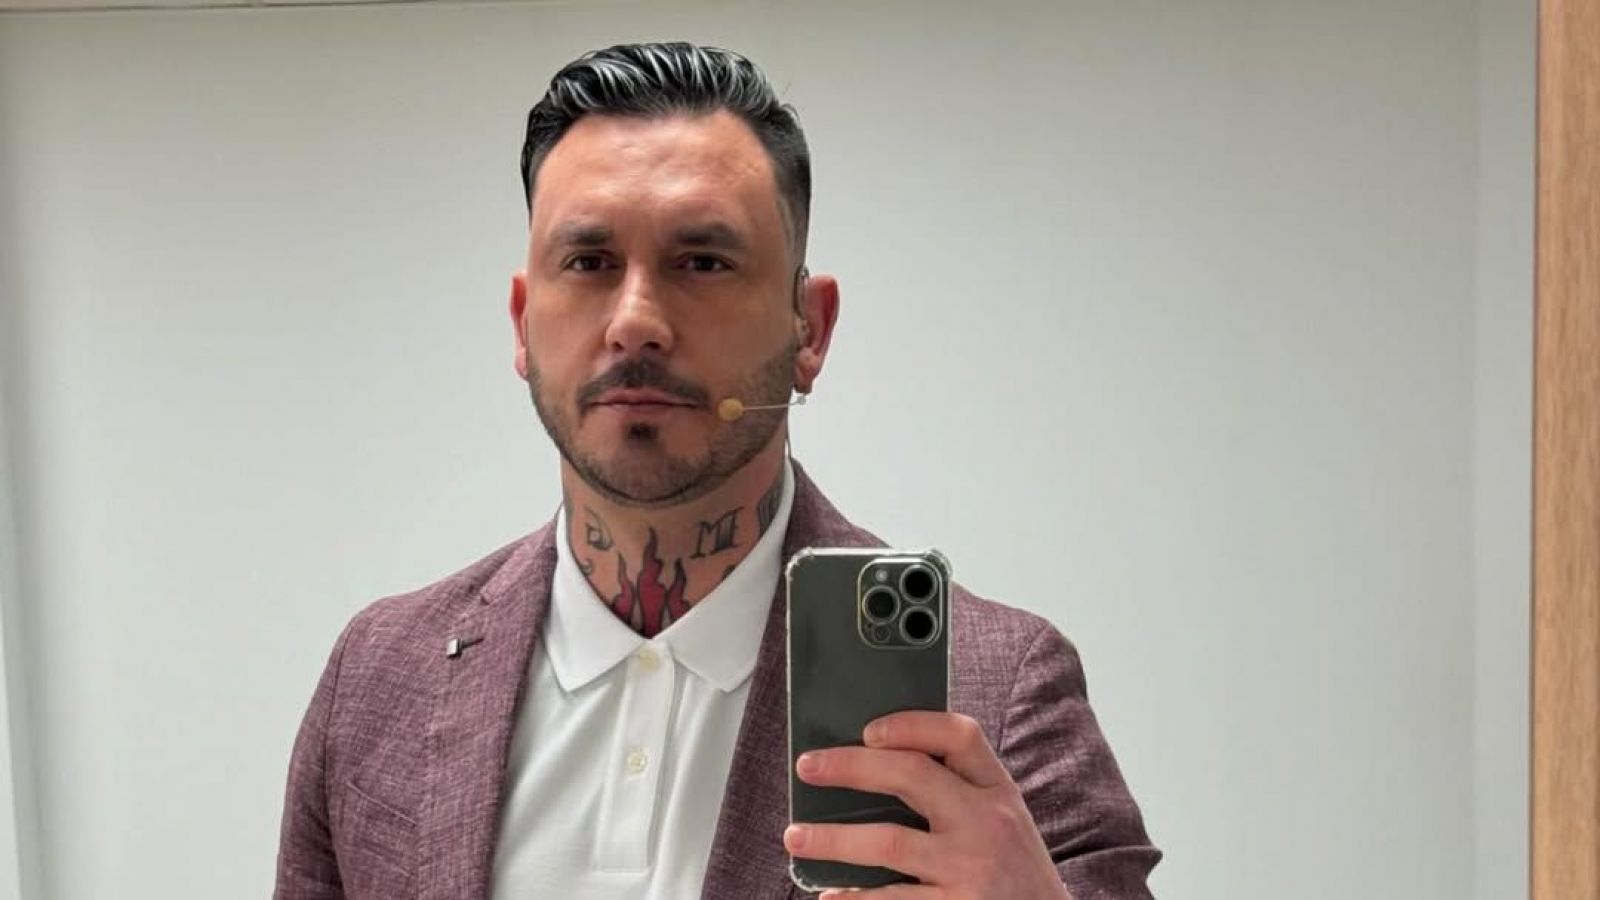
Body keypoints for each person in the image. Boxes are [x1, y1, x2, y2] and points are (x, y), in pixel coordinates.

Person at [273, 41, 1160, 900]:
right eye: (588, 263)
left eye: (702, 262)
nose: (635, 321)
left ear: (810, 330)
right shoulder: (379, 677)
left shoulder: (997, 698)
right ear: (522, 322)